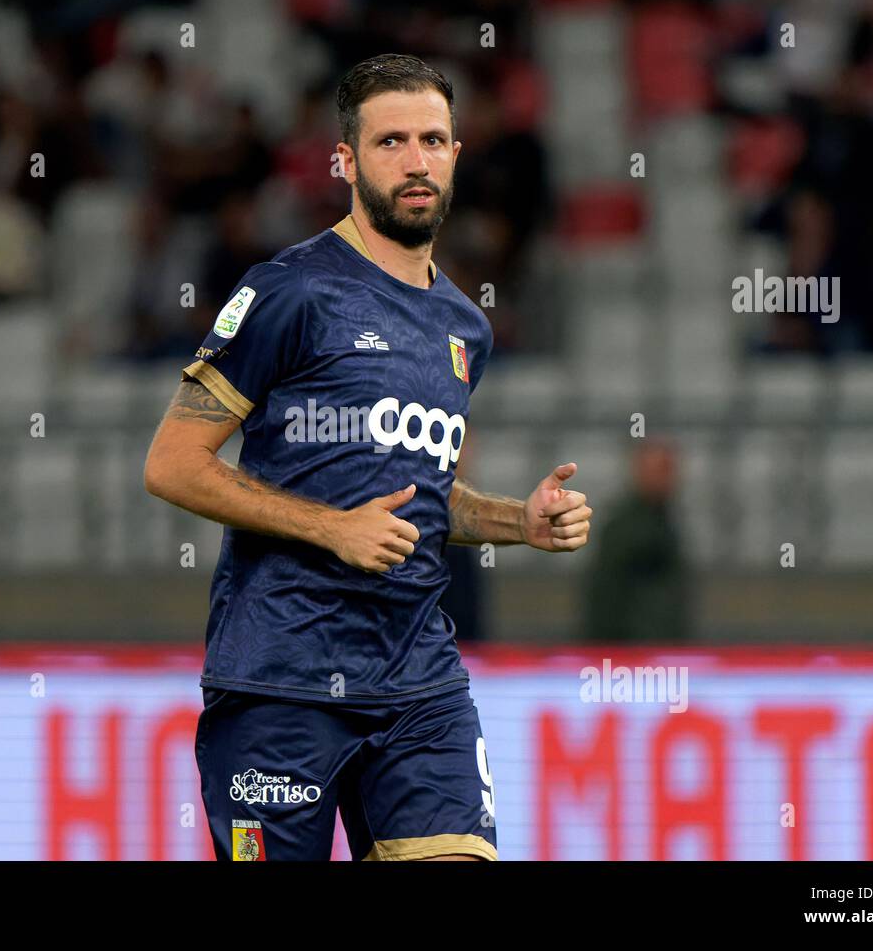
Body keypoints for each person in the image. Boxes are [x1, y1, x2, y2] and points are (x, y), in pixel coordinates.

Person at [144, 54, 594, 861]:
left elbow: (422, 497)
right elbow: (172, 463)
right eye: (391, 142)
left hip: (419, 678)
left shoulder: (466, 328)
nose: (416, 160)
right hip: (280, 679)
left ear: (457, 154)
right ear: (346, 161)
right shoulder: (290, 292)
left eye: (433, 139)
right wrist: (330, 530)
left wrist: (516, 522)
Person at [584, 441, 690, 644]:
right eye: (660, 470)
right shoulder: (623, 528)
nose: (666, 478)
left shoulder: (666, 521)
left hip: (659, 651)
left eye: (669, 470)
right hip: (630, 653)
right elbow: (606, 596)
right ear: (639, 472)